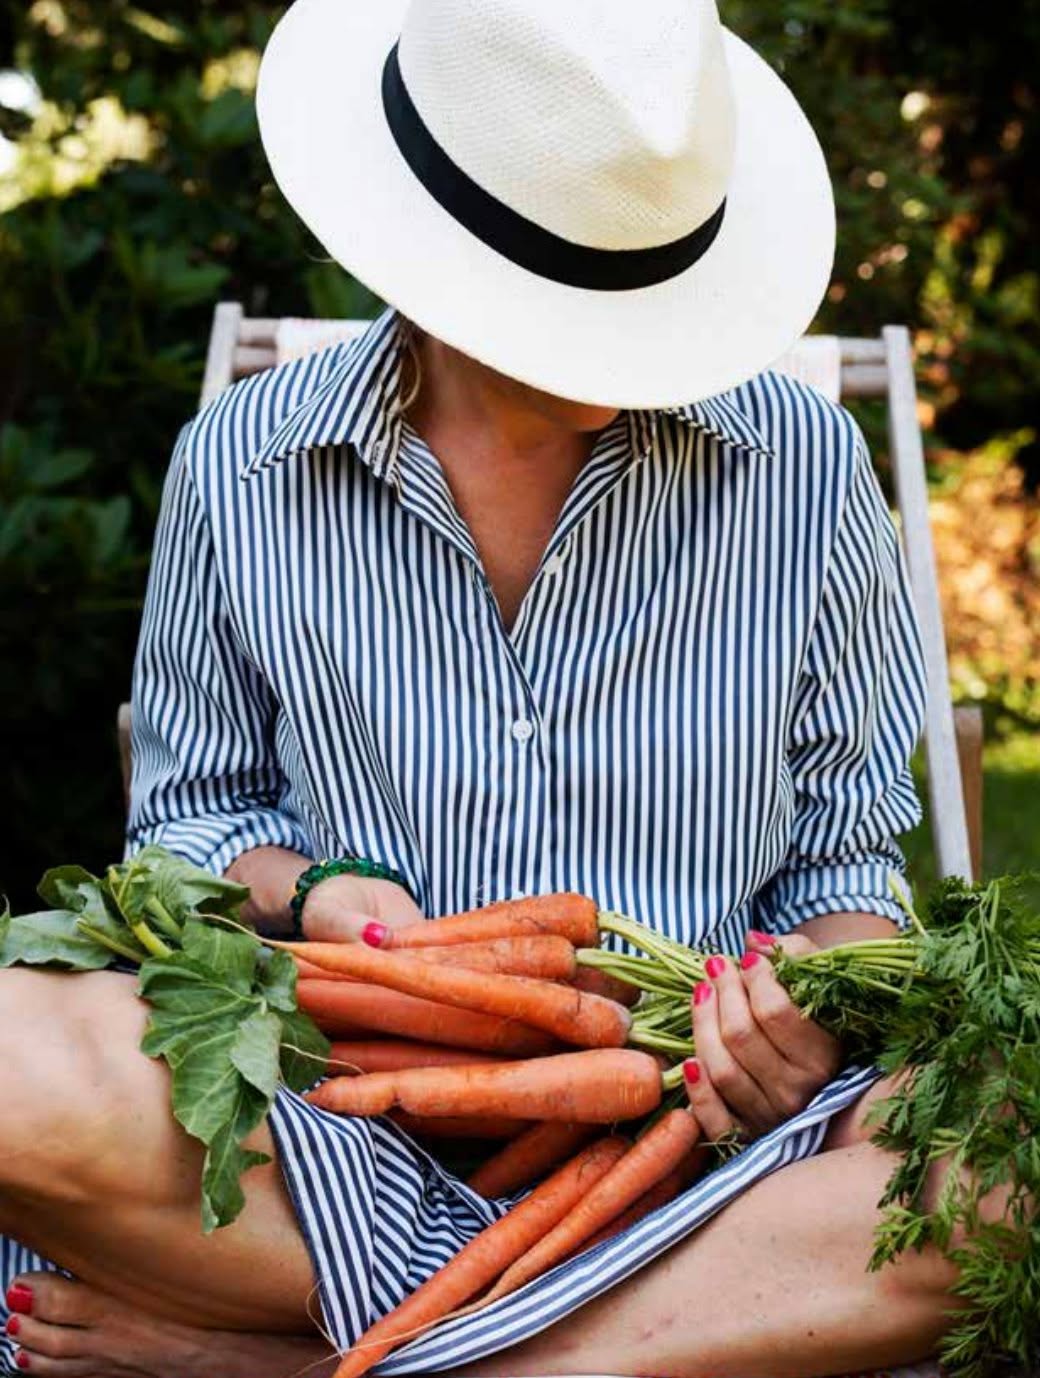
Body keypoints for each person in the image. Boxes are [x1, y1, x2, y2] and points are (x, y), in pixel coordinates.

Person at [0, 0, 995, 1374]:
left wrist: (805, 1019)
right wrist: (317, 891)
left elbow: (843, 869)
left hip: (711, 1168)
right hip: (322, 1132)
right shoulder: (247, 462)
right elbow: (185, 829)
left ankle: (318, 1361)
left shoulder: (805, 475)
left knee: (1009, 1161)